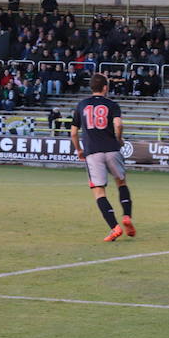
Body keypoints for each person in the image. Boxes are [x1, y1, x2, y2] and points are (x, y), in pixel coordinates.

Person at [70, 74, 135, 242]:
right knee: (121, 182)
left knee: (99, 192)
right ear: (105, 87)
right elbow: (119, 124)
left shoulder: (82, 105)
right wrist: (119, 139)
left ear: (91, 87)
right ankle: (127, 216)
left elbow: (73, 132)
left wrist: (78, 150)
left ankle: (114, 227)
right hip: (112, 149)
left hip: (93, 152)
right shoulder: (112, 104)